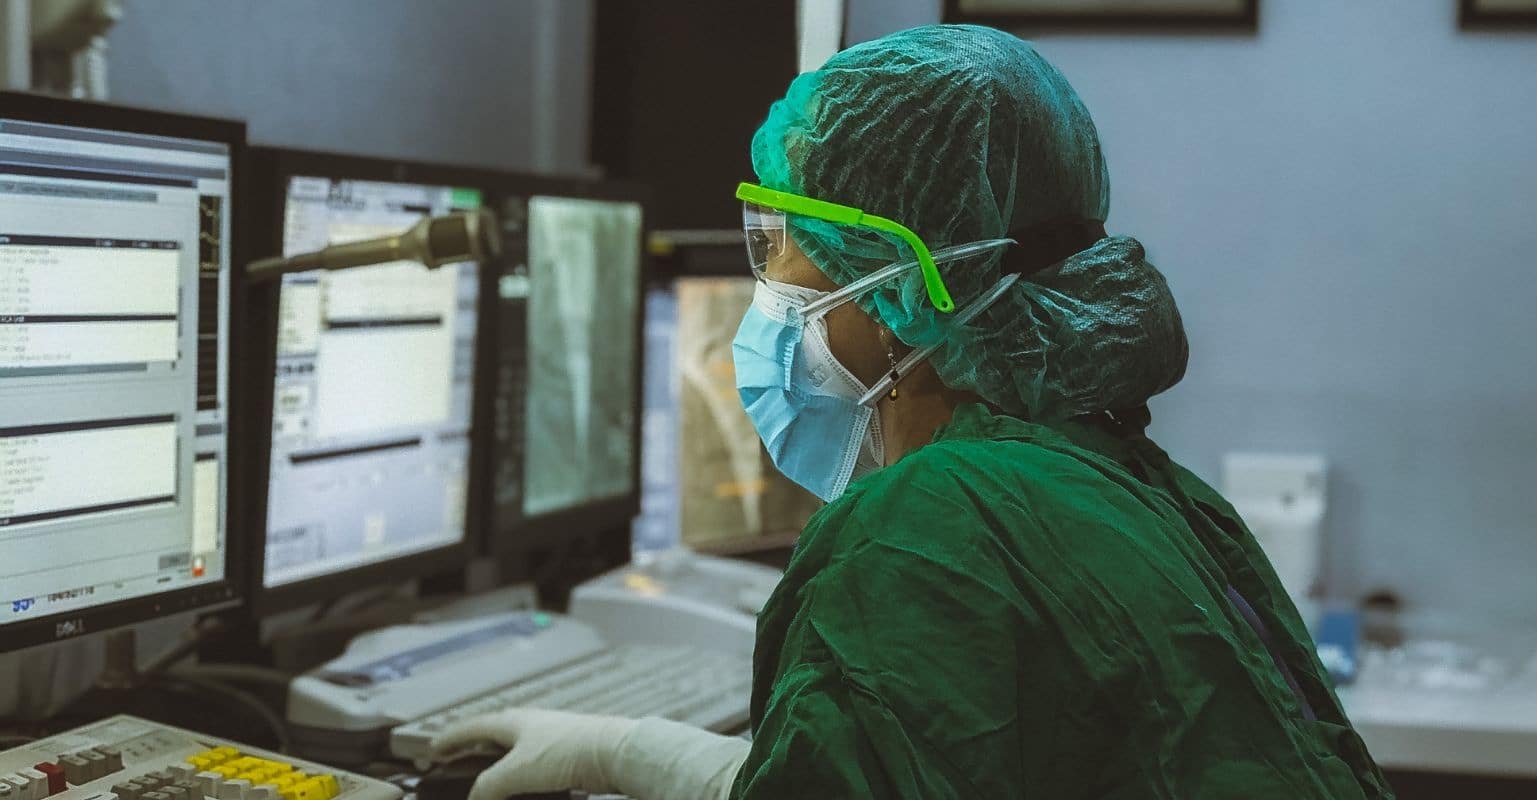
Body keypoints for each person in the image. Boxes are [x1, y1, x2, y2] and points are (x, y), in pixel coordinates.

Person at [434, 24, 1395, 799]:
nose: (764, 283)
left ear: (910, 280)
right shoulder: (1128, 484)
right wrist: (625, 752)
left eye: (785, 241)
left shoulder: (928, 532)